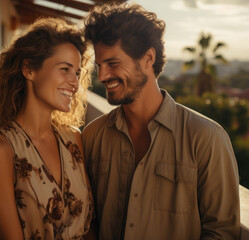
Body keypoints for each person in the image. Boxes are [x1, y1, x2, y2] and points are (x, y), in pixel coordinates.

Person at [82, 3, 240, 240]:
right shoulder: (93, 136)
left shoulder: (206, 138)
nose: (102, 76)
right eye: (99, 66)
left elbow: (222, 232)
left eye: (113, 64)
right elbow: (88, 221)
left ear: (148, 58)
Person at [0, 17, 95, 239]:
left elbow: (88, 228)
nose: (75, 83)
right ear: (29, 69)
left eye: (77, 73)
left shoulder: (73, 139)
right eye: (65, 69)